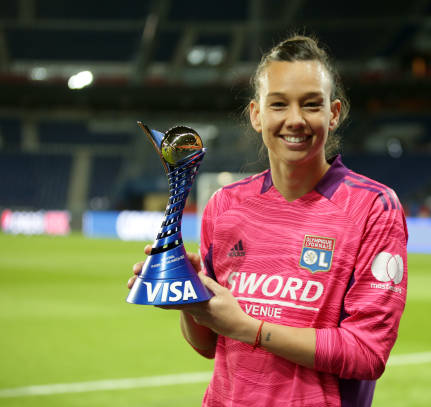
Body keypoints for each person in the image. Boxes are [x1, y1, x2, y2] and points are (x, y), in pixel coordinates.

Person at [129, 34, 408, 407]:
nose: (295, 120)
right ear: (257, 115)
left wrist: (249, 328)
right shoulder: (225, 205)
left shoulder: (372, 206)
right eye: (279, 104)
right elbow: (210, 345)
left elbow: (366, 353)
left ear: (334, 113)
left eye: (311, 104)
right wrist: (190, 300)